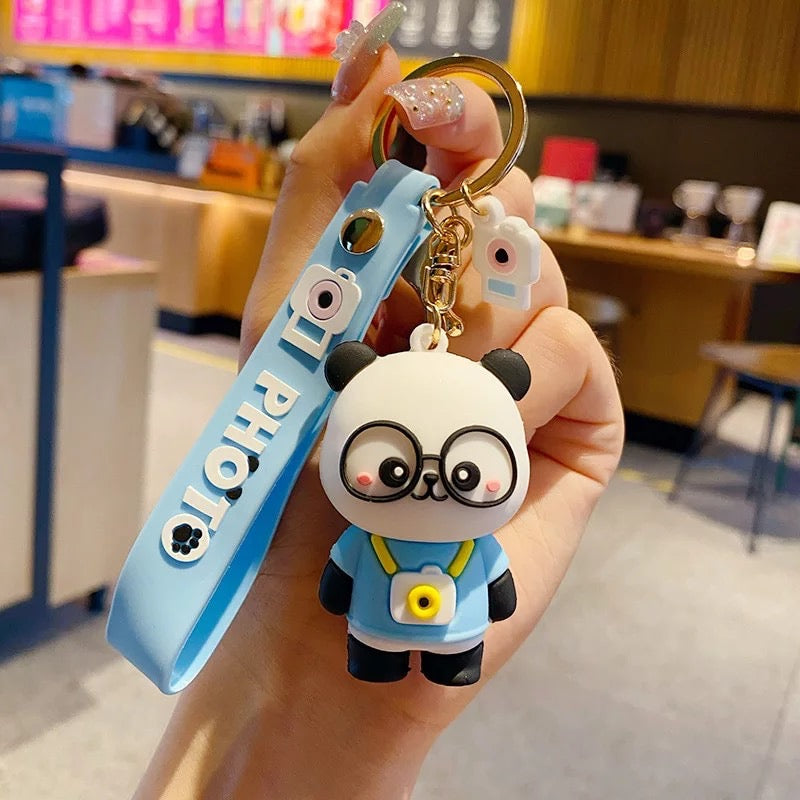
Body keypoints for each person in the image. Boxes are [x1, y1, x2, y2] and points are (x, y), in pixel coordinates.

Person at [135, 42, 624, 800]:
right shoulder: (375, 530)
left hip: (441, 627)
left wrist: (334, 724)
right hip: (367, 630)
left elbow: (485, 586)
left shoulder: (446, 542)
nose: (427, 481)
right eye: (393, 466)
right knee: (371, 645)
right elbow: (347, 580)